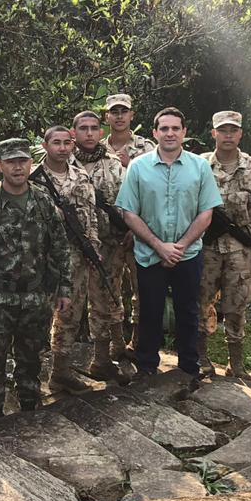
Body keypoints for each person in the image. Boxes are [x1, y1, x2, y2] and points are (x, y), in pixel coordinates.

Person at [0, 138, 72, 419]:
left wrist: (64, 287)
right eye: (11, 162)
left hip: (35, 296)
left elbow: (60, 246)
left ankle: (30, 409)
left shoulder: (43, 202)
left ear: (31, 164)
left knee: (30, 359)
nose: (18, 168)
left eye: (22, 161)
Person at [115, 107, 223, 390]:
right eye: (164, 128)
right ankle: (147, 366)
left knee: (188, 310)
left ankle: (189, 366)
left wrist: (180, 246)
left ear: (184, 132)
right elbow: (128, 212)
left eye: (176, 128)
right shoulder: (138, 167)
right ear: (155, 133)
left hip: (188, 254)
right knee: (149, 311)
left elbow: (206, 212)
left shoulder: (199, 167)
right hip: (149, 253)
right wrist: (159, 246)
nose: (170, 133)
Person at [198, 110, 251, 376]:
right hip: (206, 246)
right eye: (223, 130)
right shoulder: (200, 164)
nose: (228, 135)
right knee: (202, 300)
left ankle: (236, 363)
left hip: (240, 247)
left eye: (233, 130)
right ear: (214, 133)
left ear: (240, 134)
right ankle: (201, 357)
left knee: (237, 303)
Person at [38, 125, 99, 395]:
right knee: (36, 315)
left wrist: (92, 247)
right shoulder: (32, 177)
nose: (62, 148)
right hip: (40, 258)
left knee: (70, 314)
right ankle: (27, 378)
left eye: (66, 143)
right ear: (45, 145)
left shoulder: (80, 176)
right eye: (56, 143)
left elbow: (91, 214)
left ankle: (60, 372)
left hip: (75, 256)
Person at [71, 110, 131, 383]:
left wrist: (127, 230)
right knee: (67, 305)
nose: (89, 133)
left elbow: (128, 203)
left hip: (108, 246)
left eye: (94, 128)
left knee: (106, 299)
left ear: (101, 132)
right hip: (70, 248)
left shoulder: (115, 166)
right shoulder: (61, 164)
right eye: (83, 128)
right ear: (74, 133)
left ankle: (102, 358)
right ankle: (60, 366)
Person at [104, 94, 154, 357]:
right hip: (108, 234)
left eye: (124, 111)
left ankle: (137, 342)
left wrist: (130, 165)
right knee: (109, 288)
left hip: (141, 232)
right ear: (107, 117)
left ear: (132, 115)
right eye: (115, 112)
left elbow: (157, 187)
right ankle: (116, 343)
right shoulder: (96, 149)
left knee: (142, 289)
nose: (120, 116)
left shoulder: (147, 148)